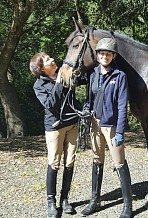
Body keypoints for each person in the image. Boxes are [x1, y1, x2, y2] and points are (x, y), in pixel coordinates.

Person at [81, 38, 132, 218]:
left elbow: (121, 106)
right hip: (95, 124)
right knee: (97, 161)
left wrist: (120, 131)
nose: (105, 56)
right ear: (98, 55)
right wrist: (87, 107)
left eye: (108, 54)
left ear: (113, 56)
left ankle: (127, 206)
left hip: (111, 126)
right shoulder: (93, 74)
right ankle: (95, 201)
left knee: (119, 163)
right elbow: (90, 98)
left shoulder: (120, 76)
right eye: (102, 53)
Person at [29, 52, 80, 218]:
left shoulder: (64, 74)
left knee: (70, 161)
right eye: (47, 60)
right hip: (54, 127)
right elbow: (50, 104)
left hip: (72, 124)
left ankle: (65, 199)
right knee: (54, 162)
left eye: (50, 57)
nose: (52, 59)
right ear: (42, 69)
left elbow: (77, 86)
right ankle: (51, 201)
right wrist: (59, 82)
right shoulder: (39, 85)